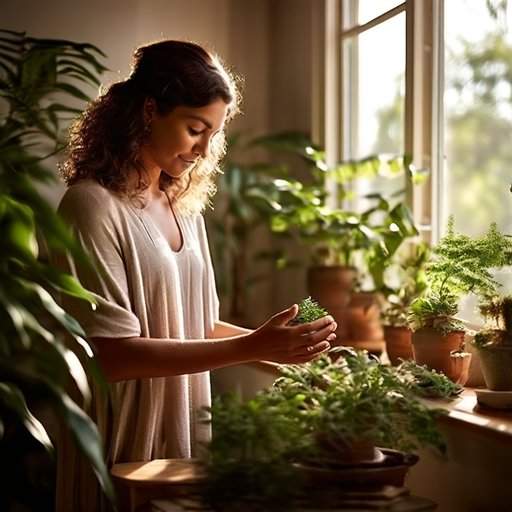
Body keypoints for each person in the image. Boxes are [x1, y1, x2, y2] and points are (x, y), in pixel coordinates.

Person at [55, 39, 337, 510]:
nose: (205, 150)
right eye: (194, 129)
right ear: (149, 111)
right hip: (121, 442)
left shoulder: (185, 211)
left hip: (185, 439)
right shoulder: (90, 206)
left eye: (214, 134)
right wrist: (253, 346)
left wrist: (285, 351)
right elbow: (107, 356)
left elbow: (199, 330)